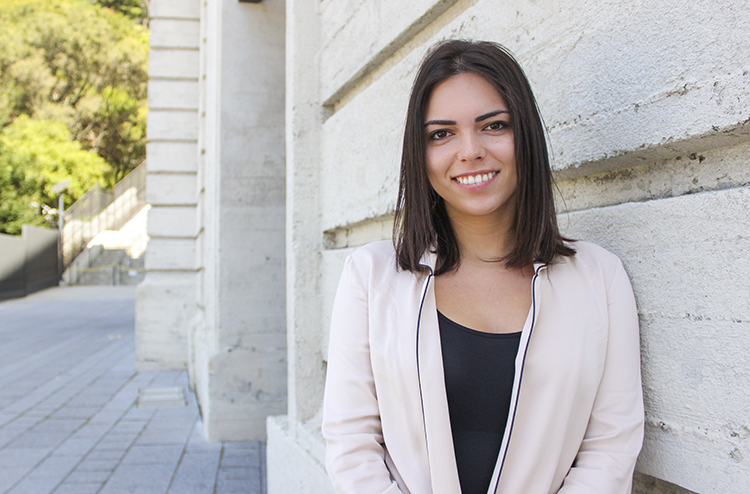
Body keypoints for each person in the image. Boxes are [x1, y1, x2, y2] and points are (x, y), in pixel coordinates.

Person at [322, 39, 643, 494]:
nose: (469, 151)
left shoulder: (599, 277)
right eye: (441, 133)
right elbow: (352, 444)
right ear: (421, 154)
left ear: (525, 136)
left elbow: (610, 447)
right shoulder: (371, 276)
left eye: (493, 125)